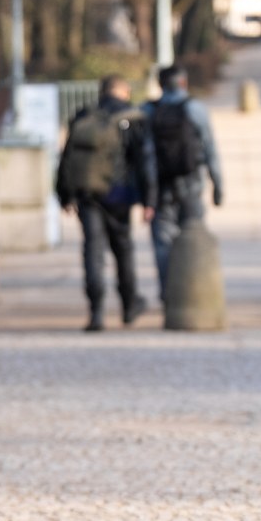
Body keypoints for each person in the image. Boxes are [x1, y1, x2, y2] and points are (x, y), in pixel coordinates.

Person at [55, 75, 156, 331]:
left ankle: (96, 312)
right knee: (123, 249)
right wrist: (149, 199)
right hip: (119, 193)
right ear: (125, 91)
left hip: (87, 193)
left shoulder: (84, 115)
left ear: (102, 92)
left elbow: (66, 155)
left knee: (93, 250)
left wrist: (64, 194)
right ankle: (129, 305)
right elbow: (144, 161)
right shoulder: (132, 118)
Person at [144, 65, 224, 302]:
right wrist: (218, 183)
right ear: (183, 83)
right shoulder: (195, 109)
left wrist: (144, 193)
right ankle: (193, 294)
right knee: (194, 238)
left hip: (160, 189)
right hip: (191, 185)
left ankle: (168, 294)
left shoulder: (148, 111)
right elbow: (210, 149)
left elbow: (143, 155)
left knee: (162, 244)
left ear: (160, 85)